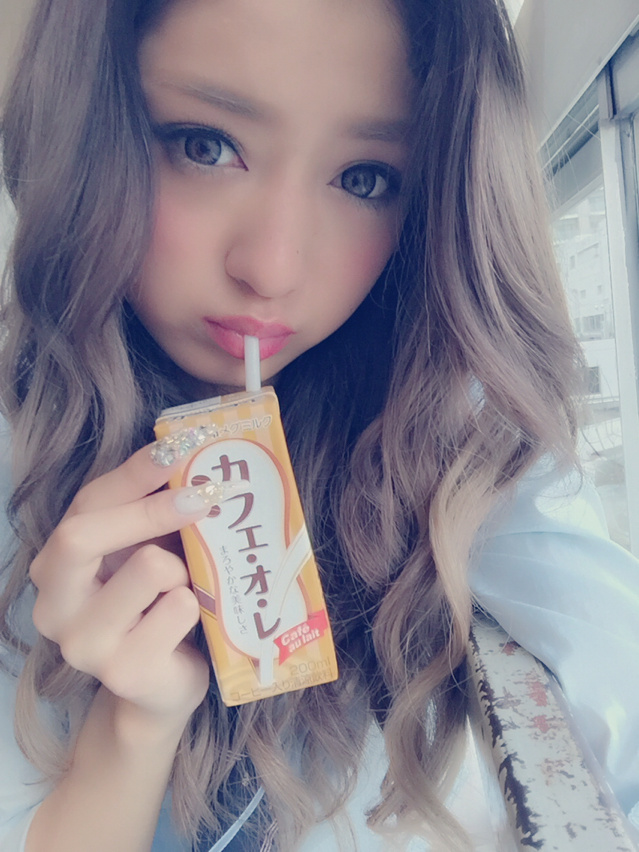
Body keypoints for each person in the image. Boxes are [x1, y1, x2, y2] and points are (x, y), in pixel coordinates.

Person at [0, 0, 638, 850]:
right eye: (205, 145)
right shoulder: (19, 457)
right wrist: (131, 728)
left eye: (365, 178)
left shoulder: (466, 452)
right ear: (88, 129)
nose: (271, 268)